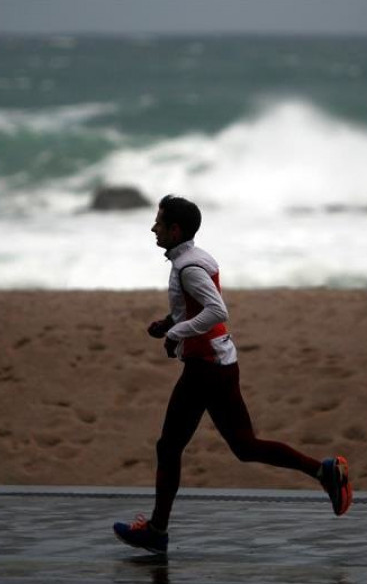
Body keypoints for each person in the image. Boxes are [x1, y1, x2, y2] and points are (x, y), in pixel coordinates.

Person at [113, 195, 352, 555]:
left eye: (159, 223)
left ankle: (158, 531)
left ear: (175, 230)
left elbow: (216, 310)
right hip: (214, 363)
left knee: (171, 446)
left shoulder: (189, 268)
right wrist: (168, 323)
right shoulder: (194, 258)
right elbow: (193, 306)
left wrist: (177, 333)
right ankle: (325, 472)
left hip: (207, 367)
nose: (153, 228)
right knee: (244, 447)